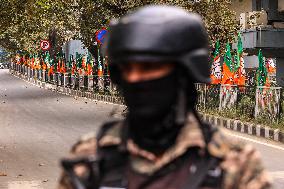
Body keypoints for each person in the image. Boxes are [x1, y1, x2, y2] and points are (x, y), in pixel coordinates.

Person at [58, 5, 272, 189]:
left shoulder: (232, 160)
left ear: (183, 75)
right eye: (127, 68)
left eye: (149, 67)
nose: (135, 78)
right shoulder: (91, 157)